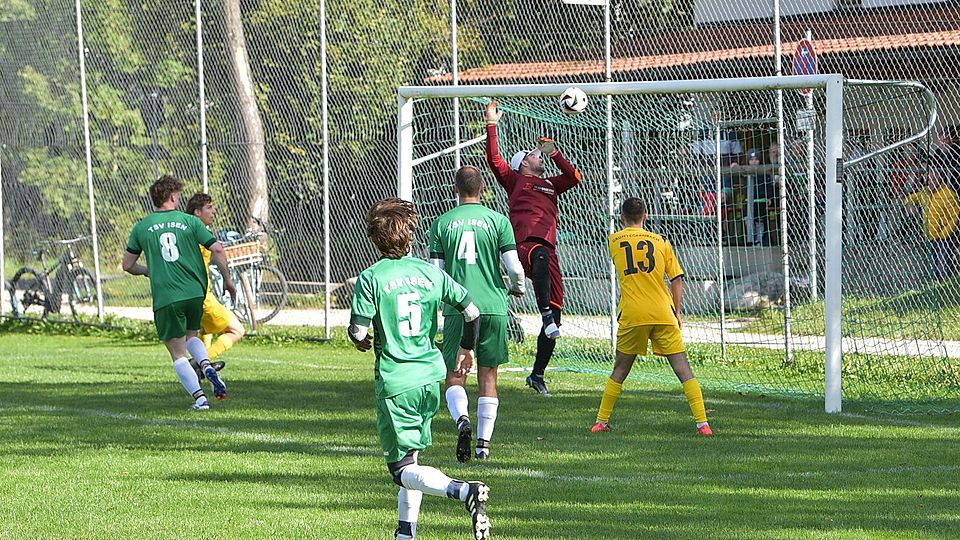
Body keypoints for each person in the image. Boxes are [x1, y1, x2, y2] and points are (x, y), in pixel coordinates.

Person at [349, 198, 491, 540]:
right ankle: (405, 533)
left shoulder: (371, 277)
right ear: (408, 237)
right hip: (430, 377)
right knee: (412, 459)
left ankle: (463, 491)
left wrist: (359, 339)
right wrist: (466, 348)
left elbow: (358, 330)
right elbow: (472, 312)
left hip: (397, 381)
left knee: (400, 471)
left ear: (375, 239)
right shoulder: (431, 273)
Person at [484, 99, 583, 396]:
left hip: (549, 253)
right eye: (534, 155)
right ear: (523, 164)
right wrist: (492, 124)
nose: (539, 156)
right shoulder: (515, 180)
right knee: (540, 258)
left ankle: (537, 375)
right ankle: (544, 315)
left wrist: (556, 153)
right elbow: (494, 160)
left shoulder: (551, 184)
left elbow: (574, 178)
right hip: (525, 248)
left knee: (558, 313)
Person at [591, 197, 712, 436]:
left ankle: (601, 421)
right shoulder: (661, 242)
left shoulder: (614, 240)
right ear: (646, 216)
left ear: (622, 217)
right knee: (683, 369)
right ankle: (703, 424)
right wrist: (677, 312)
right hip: (662, 313)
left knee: (620, 369)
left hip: (633, 314)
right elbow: (677, 279)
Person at [428, 165, 526, 462]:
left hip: (459, 308)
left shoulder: (442, 223)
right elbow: (514, 268)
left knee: (456, 374)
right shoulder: (498, 221)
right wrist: (517, 288)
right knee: (488, 375)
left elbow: (436, 274)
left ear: (455, 189)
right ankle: (483, 445)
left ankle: (462, 421)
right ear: (482, 189)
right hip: (493, 308)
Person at [122, 175, 235, 410]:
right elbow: (217, 248)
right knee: (192, 336)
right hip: (195, 292)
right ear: (173, 197)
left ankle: (200, 399)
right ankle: (206, 364)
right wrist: (228, 280)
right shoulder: (190, 222)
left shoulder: (142, 227)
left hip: (167, 296)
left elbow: (127, 265)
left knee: (177, 352)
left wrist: (147, 271)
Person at [185, 193, 246, 378]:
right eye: (209, 207)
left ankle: (200, 369)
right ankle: (198, 364)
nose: (214, 211)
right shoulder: (198, 232)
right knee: (237, 330)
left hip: (185, 294)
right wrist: (228, 281)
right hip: (202, 295)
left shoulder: (183, 232)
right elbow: (218, 250)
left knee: (205, 332)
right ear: (197, 212)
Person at [903, 155, 960, 281]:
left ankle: (946, 285)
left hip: (944, 237)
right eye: (927, 179)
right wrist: (910, 204)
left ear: (939, 179)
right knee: (933, 264)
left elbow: (956, 215)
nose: (930, 181)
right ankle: (937, 284)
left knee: (943, 265)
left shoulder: (948, 194)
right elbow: (909, 198)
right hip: (930, 235)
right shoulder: (924, 193)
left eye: (933, 178)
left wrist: (944, 233)